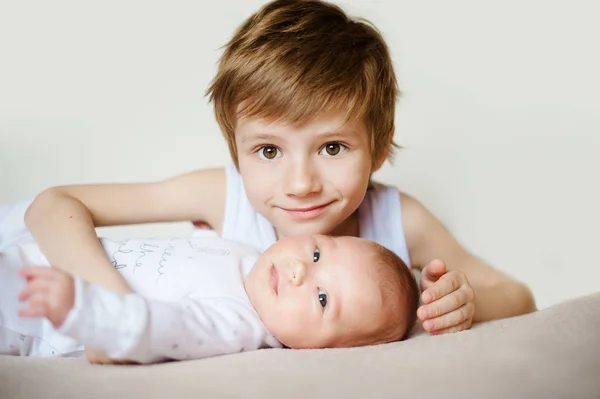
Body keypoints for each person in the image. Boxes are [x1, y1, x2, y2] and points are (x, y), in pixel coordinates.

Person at [23, 0, 535, 362]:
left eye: (332, 148)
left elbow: (516, 295)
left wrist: (466, 301)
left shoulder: (400, 219)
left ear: (379, 146)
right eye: (268, 151)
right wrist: (112, 306)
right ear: (237, 154)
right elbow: (53, 203)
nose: (301, 183)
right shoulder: (220, 197)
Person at [0, 200, 418, 363]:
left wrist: (82, 308)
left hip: (32, 311)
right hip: (34, 249)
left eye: (323, 298)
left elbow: (157, 328)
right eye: (316, 253)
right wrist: (203, 236)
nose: (300, 272)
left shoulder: (237, 324)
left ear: (318, 350)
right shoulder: (254, 258)